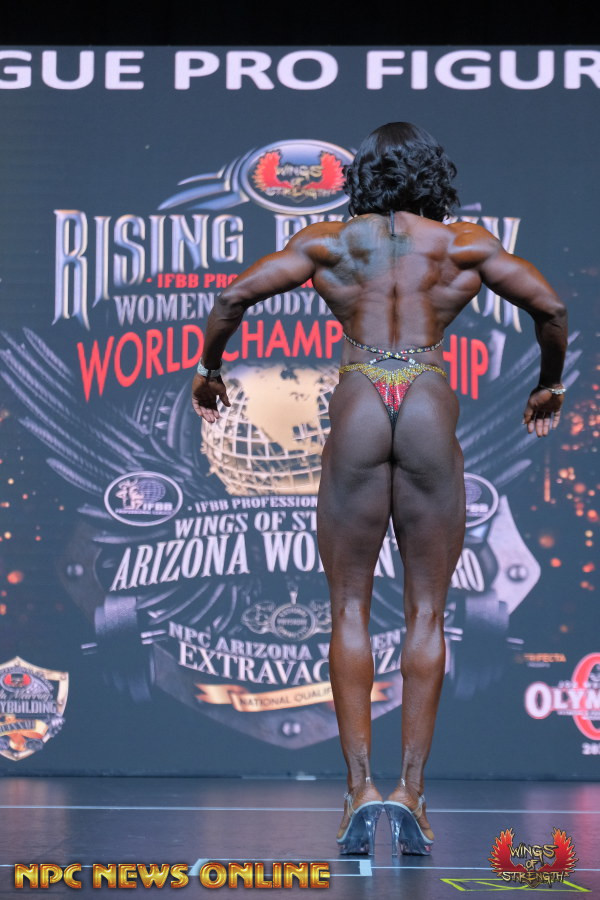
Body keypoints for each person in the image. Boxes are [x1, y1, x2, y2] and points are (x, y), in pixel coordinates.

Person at [191, 122, 568, 856]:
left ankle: (359, 789)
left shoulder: (330, 241)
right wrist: (548, 384)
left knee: (349, 608)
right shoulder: (462, 243)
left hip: (361, 394)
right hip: (425, 394)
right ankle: (412, 794)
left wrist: (209, 370)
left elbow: (234, 296)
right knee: (428, 611)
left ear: (361, 178)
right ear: (434, 176)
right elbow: (550, 309)